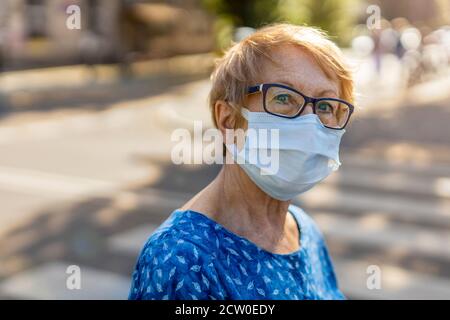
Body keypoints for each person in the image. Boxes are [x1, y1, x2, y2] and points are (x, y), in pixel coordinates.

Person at [129, 23, 354, 300]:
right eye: (283, 97)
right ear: (228, 119)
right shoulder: (181, 260)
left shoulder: (303, 229)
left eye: (326, 106)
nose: (310, 123)